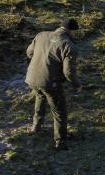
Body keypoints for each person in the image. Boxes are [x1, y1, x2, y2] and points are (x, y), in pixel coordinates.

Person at [25, 18, 81, 150]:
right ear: (71, 31)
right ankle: (60, 142)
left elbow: (29, 53)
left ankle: (36, 127)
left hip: (32, 78)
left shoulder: (41, 35)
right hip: (51, 83)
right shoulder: (68, 45)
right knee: (59, 112)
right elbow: (68, 72)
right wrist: (77, 85)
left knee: (40, 97)